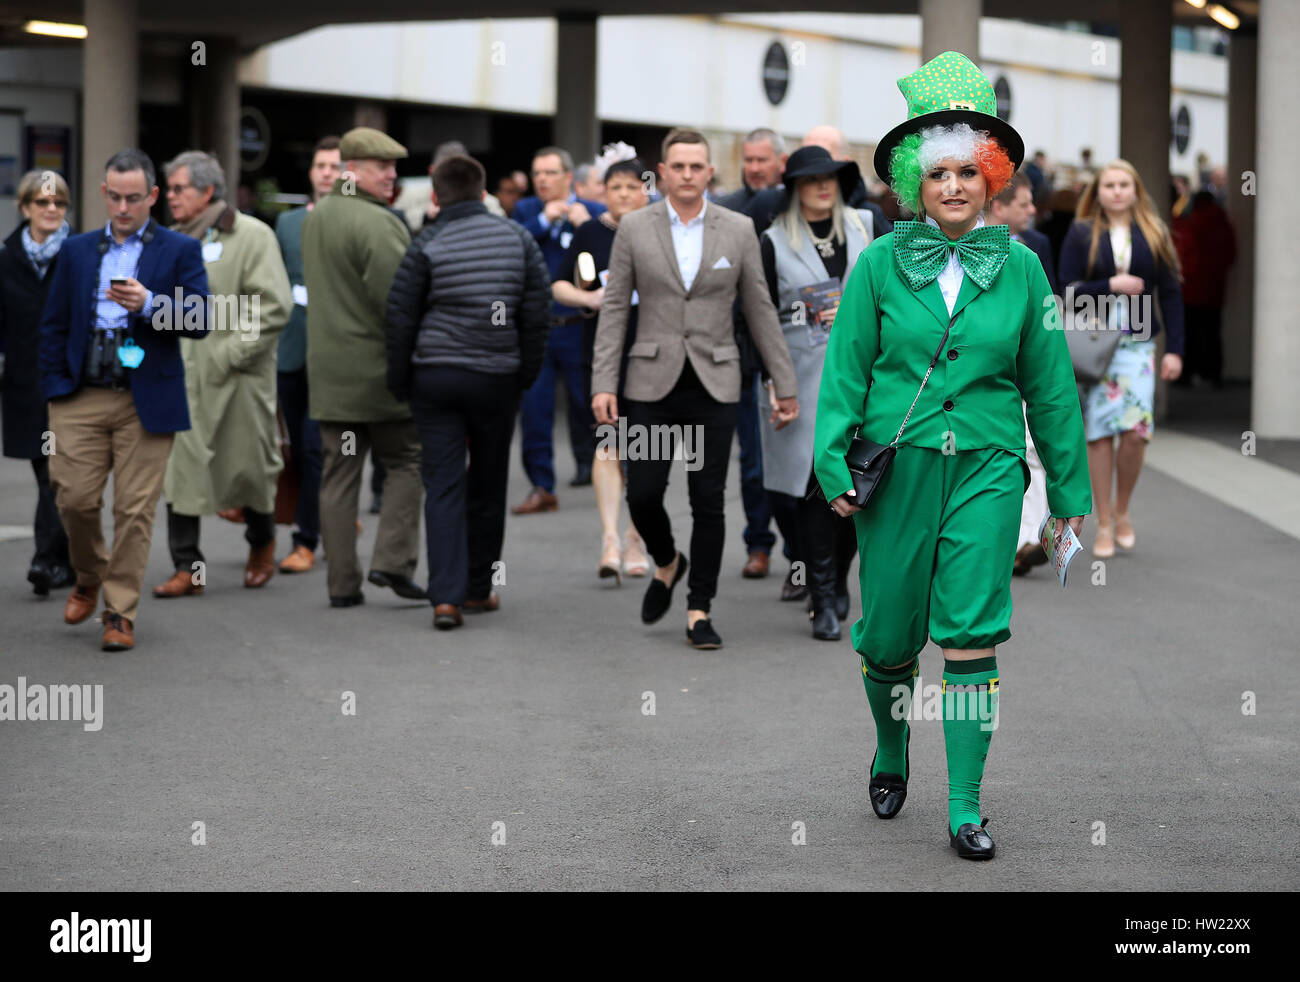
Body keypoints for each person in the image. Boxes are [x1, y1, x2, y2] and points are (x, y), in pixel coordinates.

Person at [814, 52, 1091, 861]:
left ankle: (966, 806)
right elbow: (845, 371)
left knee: (971, 631)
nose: (956, 187)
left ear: (992, 176)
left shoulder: (1026, 268)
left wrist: (1068, 491)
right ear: (914, 181)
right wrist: (834, 466)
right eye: (938, 175)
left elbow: (1052, 389)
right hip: (898, 473)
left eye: (970, 171)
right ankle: (893, 748)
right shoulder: (876, 264)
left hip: (988, 466)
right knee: (890, 635)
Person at [591, 127, 799, 650]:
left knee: (708, 500)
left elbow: (759, 309)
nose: (686, 175)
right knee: (642, 494)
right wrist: (603, 382)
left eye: (696, 166)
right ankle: (667, 561)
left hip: (715, 382)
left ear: (710, 172)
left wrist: (784, 382)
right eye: (677, 166)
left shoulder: (738, 228)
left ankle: (698, 608)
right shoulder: (635, 227)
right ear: (661, 174)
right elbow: (615, 308)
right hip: (649, 382)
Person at [39, 148, 211, 650]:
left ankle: (119, 612)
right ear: (103, 194)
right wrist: (54, 387)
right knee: (73, 498)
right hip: (80, 395)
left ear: (153, 196)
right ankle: (88, 572)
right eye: (114, 197)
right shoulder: (76, 250)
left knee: (134, 512)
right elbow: (52, 326)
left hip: (146, 397)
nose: (122, 207)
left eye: (134, 198)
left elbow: (200, 319)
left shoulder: (178, 249)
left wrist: (153, 304)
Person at [386, 153, 551, 629]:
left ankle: (445, 598)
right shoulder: (518, 238)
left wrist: (400, 381)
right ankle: (479, 587)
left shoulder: (426, 243)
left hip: (435, 378)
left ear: (435, 196)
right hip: (495, 379)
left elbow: (401, 319)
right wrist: (525, 373)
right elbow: (535, 313)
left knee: (442, 484)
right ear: (483, 194)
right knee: (488, 482)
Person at [150, 151, 291, 599]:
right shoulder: (166, 240)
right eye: (168, 189)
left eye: (178, 189)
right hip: (181, 376)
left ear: (208, 191)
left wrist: (229, 354)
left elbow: (272, 305)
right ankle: (188, 567)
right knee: (181, 472)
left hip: (239, 379)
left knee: (248, 468)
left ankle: (262, 543)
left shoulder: (252, 235)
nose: (169, 197)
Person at [301, 126, 425, 608]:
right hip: (380, 373)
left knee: (338, 478)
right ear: (352, 169)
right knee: (406, 462)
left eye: (394, 167)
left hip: (331, 375)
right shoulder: (377, 222)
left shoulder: (320, 215)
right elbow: (399, 305)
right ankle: (391, 563)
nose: (392, 176)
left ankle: (342, 584)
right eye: (382, 167)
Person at [757, 145, 875, 641]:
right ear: (795, 188)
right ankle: (823, 597)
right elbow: (760, 312)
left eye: (830, 178)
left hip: (863, 377)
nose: (822, 187)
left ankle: (837, 577)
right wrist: (772, 379)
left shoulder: (867, 226)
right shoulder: (771, 240)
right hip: (798, 378)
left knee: (858, 484)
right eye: (810, 180)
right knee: (808, 491)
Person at [1059, 159, 1184, 559]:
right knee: (1098, 432)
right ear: (1098, 192)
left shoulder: (1153, 232)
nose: (1116, 191)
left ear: (1135, 191)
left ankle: (1122, 508)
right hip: (1095, 344)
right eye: (1109, 184)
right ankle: (1105, 523)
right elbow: (1066, 290)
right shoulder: (1081, 233)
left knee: (1135, 431)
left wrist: (1177, 350)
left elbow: (1170, 293)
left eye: (1123, 184)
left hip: (1137, 343)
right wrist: (1109, 285)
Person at [551, 155, 652, 582]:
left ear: (646, 189)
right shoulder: (589, 232)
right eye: (616, 188)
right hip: (603, 352)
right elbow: (559, 283)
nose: (624, 194)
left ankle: (637, 537)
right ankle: (610, 538)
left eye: (632, 187)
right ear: (602, 193)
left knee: (646, 447)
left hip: (651, 353)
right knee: (608, 441)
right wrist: (589, 299)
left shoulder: (659, 230)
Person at [511, 146, 607, 512]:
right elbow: (513, 248)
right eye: (537, 173)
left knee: (590, 403)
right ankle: (541, 485)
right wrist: (543, 222)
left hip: (580, 326)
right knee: (536, 409)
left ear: (568, 178)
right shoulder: (526, 212)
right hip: (537, 327)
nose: (542, 180)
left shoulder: (593, 213)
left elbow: (611, 262)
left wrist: (585, 227)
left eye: (549, 173)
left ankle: (606, 471)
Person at [715, 128, 788, 583]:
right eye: (749, 159)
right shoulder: (725, 209)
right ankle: (758, 544)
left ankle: (804, 554)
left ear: (781, 162)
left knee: (801, 458)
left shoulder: (793, 209)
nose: (755, 167)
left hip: (798, 348)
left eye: (763, 159)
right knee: (753, 459)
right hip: (743, 352)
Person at [0, 170, 73, 596]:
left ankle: (47, 560)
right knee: (48, 473)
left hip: (70, 387)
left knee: (56, 474)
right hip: (25, 388)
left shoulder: (80, 254)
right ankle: (71, 560)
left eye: (59, 203)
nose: (51, 210)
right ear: (25, 207)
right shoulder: (6, 259)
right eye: (43, 202)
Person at [273, 135, 339, 574]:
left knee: (319, 446)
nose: (327, 173)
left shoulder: (357, 220)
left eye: (335, 166)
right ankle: (332, 514)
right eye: (320, 165)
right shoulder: (286, 224)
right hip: (291, 346)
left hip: (336, 350)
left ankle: (306, 538)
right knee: (298, 446)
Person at [991, 173, 1059, 577]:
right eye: (1024, 203)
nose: (1033, 211)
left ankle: (1028, 540)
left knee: (1033, 452)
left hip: (1026, 366)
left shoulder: (1037, 248)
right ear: (999, 206)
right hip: (991, 373)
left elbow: (1050, 303)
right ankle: (1007, 538)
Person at [1172, 189, 1235, 388]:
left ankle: (1186, 374)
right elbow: (1231, 255)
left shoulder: (1191, 225)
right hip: (1215, 288)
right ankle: (1213, 374)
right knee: (1212, 332)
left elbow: (1184, 255)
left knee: (1189, 333)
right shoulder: (1224, 225)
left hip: (1191, 288)